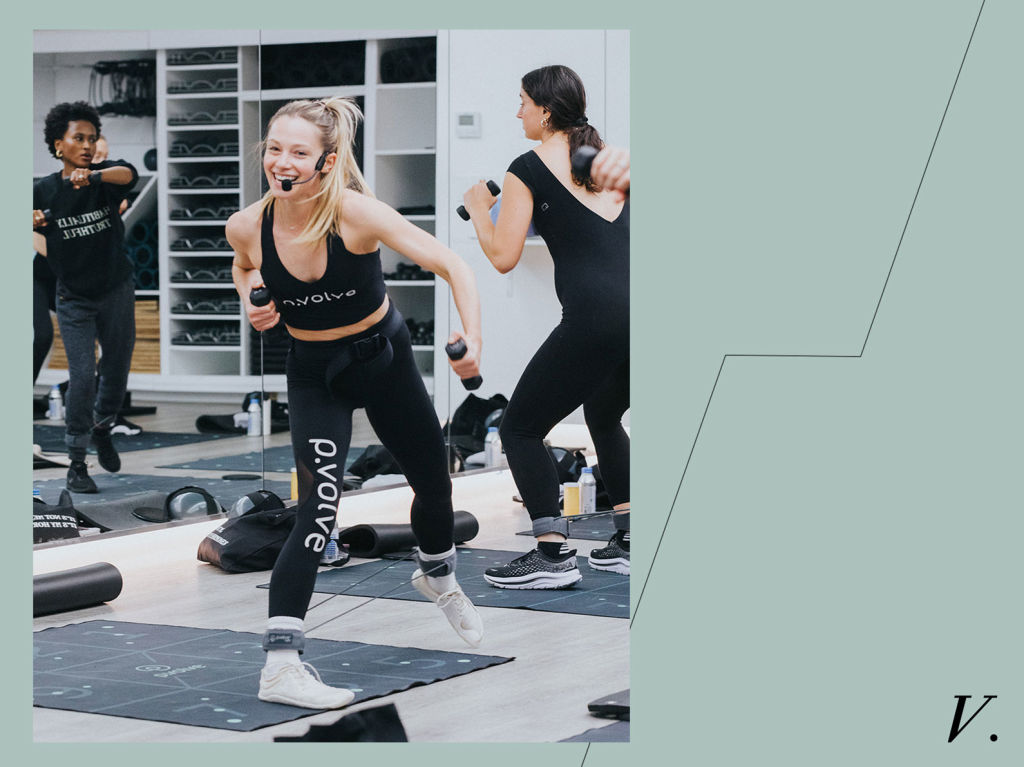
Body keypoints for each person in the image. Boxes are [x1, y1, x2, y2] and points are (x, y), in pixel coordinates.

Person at [227, 96, 485, 709]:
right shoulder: (248, 225)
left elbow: (453, 265)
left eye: (297, 152)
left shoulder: (354, 214)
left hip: (385, 360)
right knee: (318, 508)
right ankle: (282, 665)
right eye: (274, 148)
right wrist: (251, 299)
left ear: (326, 161)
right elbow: (243, 265)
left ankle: (438, 574)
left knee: (434, 482)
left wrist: (472, 339)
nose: (281, 162)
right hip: (314, 372)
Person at [463, 65, 631, 588]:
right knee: (603, 415)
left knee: (519, 427)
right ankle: (630, 539)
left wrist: (478, 212)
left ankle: (551, 554)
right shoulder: (606, 161)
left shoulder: (526, 167)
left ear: (545, 109)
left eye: (521, 102)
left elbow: (504, 258)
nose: (517, 112)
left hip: (594, 317)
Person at [33, 103, 138, 493]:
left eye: (92, 139)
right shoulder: (43, 190)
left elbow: (129, 173)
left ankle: (103, 426)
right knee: (81, 376)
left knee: (117, 368)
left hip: (115, 288)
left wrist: (93, 178)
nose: (88, 145)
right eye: (79, 138)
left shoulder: (104, 180)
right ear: (58, 144)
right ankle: (77, 462)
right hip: (73, 296)